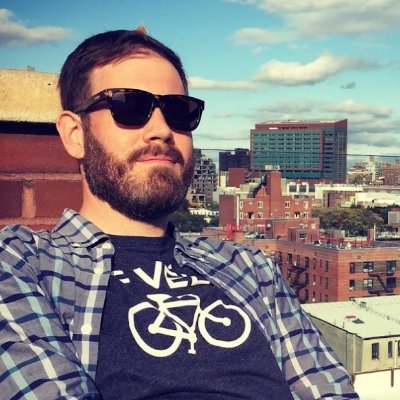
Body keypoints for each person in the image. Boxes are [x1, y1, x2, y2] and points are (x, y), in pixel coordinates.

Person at [0, 27, 359, 400]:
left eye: (178, 111)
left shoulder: (250, 266)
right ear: (75, 134)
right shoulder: (22, 263)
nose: (161, 130)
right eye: (129, 106)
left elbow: (328, 389)